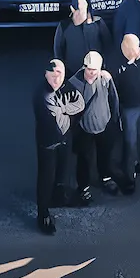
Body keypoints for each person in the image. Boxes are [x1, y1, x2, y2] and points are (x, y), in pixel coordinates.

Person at [33, 59, 84, 235]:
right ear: (46, 74)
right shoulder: (42, 94)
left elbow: (80, 103)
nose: (56, 80)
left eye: (59, 75)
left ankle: (59, 196)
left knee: (63, 169)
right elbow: (55, 115)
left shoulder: (66, 86)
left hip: (64, 138)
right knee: (46, 177)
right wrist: (67, 109)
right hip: (48, 141)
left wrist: (63, 108)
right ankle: (43, 214)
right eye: (52, 75)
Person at [69, 51, 122, 202]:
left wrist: (115, 121)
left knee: (104, 154)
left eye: (94, 70)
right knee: (83, 158)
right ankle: (83, 187)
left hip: (104, 124)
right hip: (84, 128)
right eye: (89, 70)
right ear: (84, 67)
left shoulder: (106, 79)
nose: (91, 73)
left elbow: (114, 99)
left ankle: (105, 177)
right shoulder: (74, 82)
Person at [114, 34, 140, 193]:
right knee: (130, 143)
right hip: (128, 109)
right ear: (129, 49)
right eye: (136, 48)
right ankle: (129, 177)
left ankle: (138, 162)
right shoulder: (117, 65)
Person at [54, 0, 113, 73]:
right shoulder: (64, 26)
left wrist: (106, 67)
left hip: (96, 71)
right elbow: (58, 49)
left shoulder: (98, 22)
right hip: (73, 72)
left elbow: (108, 44)